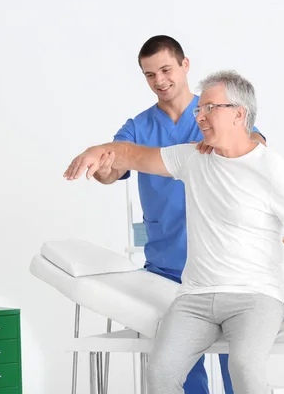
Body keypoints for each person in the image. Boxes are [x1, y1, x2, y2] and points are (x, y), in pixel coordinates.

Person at [64, 70, 284, 394]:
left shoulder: (272, 168)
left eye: (209, 109)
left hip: (256, 296)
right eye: (198, 110)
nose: (200, 117)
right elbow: (132, 155)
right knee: (161, 372)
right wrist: (95, 151)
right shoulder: (191, 158)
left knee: (244, 367)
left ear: (238, 114)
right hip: (196, 298)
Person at [91, 35, 266, 394]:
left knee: (237, 362)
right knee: (178, 366)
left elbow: (256, 145)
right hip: (166, 265)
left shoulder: (212, 113)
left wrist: (216, 143)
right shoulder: (138, 127)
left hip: (222, 264)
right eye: (149, 74)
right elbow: (111, 169)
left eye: (166, 69)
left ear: (185, 65)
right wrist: (100, 164)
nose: (159, 80)